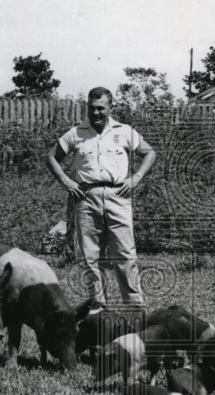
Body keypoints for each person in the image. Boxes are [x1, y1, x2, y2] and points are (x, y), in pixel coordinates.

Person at [47, 87, 156, 308]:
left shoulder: (124, 131)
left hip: (118, 196)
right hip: (86, 198)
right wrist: (66, 181)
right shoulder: (76, 133)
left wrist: (135, 178)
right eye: (91, 108)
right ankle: (98, 311)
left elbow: (149, 153)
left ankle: (134, 311)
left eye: (100, 108)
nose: (95, 113)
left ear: (110, 107)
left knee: (125, 255)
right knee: (90, 258)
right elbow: (51, 157)